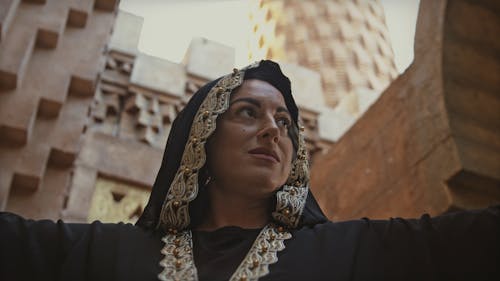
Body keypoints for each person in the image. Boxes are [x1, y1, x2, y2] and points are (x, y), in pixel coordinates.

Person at [0, 60, 499, 281]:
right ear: (201, 138)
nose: (273, 131)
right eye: (248, 113)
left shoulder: (350, 253)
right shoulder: (112, 255)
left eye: (285, 122)